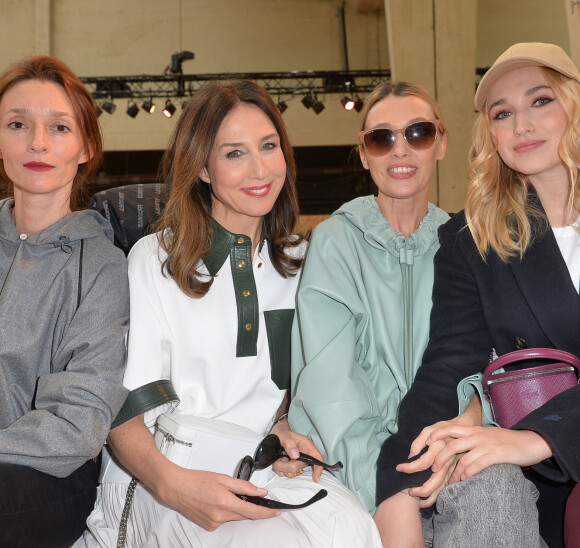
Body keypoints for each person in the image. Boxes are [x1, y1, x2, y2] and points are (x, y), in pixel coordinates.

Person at [78, 79, 382, 547]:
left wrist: (283, 428)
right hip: (165, 478)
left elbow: (277, 387)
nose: (260, 169)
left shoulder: (303, 263)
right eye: (234, 153)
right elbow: (121, 411)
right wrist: (174, 485)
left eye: (268, 146)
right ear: (202, 167)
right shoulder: (155, 259)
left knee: (355, 528)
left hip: (260, 468)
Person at [375, 42, 580, 548]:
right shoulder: (473, 239)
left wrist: (543, 436)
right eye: (502, 113)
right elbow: (448, 363)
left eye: (541, 101)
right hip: (542, 483)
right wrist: (403, 470)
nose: (521, 126)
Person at [289, 82, 450, 515]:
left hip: (450, 462)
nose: (400, 151)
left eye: (418, 133)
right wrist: (385, 488)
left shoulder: (464, 245)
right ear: (364, 154)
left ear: (441, 143)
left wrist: (445, 457)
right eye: (382, 138)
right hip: (357, 471)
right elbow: (329, 387)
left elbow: (476, 370)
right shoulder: (335, 241)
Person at [0, 56, 129, 547]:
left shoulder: (101, 265)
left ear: (85, 147)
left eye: (58, 127)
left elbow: (78, 423)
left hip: (52, 478)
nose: (37, 142)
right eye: (18, 124)